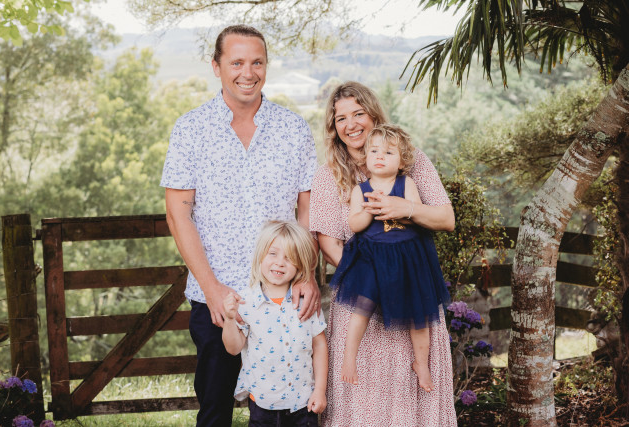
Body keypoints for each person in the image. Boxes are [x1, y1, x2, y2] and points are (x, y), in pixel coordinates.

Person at [161, 25, 321, 427]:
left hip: (284, 295)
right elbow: (178, 215)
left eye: (257, 62)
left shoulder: (293, 129)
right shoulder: (191, 129)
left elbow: (308, 210)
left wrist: (307, 275)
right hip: (219, 297)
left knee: (285, 411)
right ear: (216, 66)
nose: (247, 73)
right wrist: (212, 289)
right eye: (236, 63)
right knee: (215, 410)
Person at [310, 81, 457, 426]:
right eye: (341, 118)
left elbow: (446, 218)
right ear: (334, 127)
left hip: (412, 292)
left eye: (358, 113)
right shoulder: (328, 176)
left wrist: (407, 208)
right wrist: (374, 282)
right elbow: (329, 244)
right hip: (362, 296)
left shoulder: (411, 160)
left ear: (374, 115)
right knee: (364, 396)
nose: (351, 124)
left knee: (412, 389)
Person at [330, 124, 451, 391]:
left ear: (402, 161)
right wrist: (369, 210)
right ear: (365, 158)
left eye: (388, 152)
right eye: (374, 151)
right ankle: (349, 358)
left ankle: (421, 364)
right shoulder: (361, 190)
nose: (380, 157)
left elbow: (416, 216)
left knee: (419, 315)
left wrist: (401, 210)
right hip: (372, 257)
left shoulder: (406, 184)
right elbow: (354, 225)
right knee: (361, 309)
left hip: (407, 256)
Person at [222, 220, 328, 426]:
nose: (280, 263)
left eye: (289, 258)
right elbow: (233, 348)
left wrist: (320, 390)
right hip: (263, 405)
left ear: (300, 264)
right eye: (273, 254)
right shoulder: (246, 301)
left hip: (303, 403)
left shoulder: (306, 303)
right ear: (260, 256)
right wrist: (229, 319)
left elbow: (320, 345)